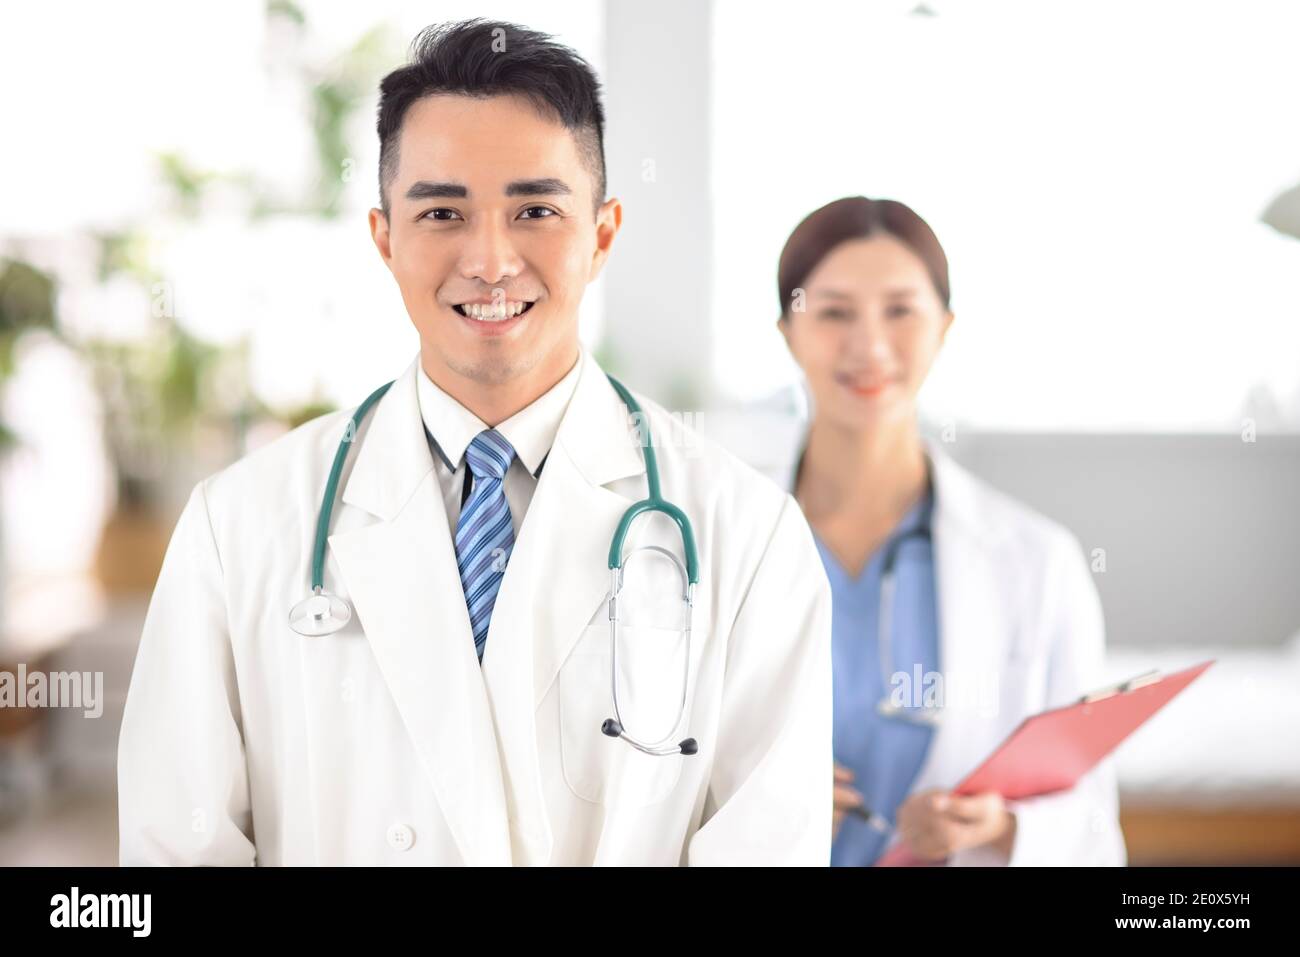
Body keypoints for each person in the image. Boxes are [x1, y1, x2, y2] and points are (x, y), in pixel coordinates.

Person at [117, 19, 832, 866]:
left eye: (535, 209)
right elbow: (176, 847)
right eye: (443, 212)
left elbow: (766, 846)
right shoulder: (237, 528)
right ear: (385, 237)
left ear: (602, 233)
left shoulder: (745, 536)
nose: (490, 261)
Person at [774, 196, 1126, 866]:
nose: (869, 344)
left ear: (945, 327)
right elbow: (644, 784)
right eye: (833, 311)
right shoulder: (716, 542)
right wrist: (759, 807)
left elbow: (1095, 832)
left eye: (901, 310)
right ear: (788, 330)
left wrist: (1000, 828)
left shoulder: (1036, 560)